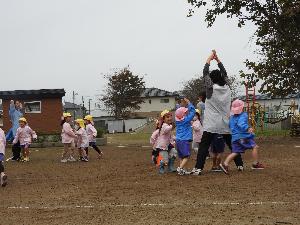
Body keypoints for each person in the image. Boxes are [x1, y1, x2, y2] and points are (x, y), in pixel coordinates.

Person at [191, 50, 244, 175]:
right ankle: (240, 165)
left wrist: (209, 59)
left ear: (212, 79)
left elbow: (205, 73)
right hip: (225, 122)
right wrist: (218, 60)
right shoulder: (228, 87)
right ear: (221, 77)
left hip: (211, 123)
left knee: (204, 146)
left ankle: (198, 168)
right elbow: (225, 73)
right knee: (232, 144)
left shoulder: (210, 88)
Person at [220, 99, 265, 174]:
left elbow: (230, 126)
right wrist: (248, 128)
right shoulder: (243, 115)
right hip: (243, 137)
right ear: (242, 108)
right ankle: (255, 164)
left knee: (236, 152)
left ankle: (225, 164)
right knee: (255, 147)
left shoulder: (231, 117)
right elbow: (241, 124)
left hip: (235, 138)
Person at [175, 98, 196, 175]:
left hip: (178, 140)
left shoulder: (177, 120)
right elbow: (193, 111)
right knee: (186, 156)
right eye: (185, 112)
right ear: (183, 114)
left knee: (181, 157)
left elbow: (179, 112)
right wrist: (188, 102)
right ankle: (180, 168)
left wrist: (182, 105)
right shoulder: (186, 120)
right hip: (184, 140)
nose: (186, 112)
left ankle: (182, 170)